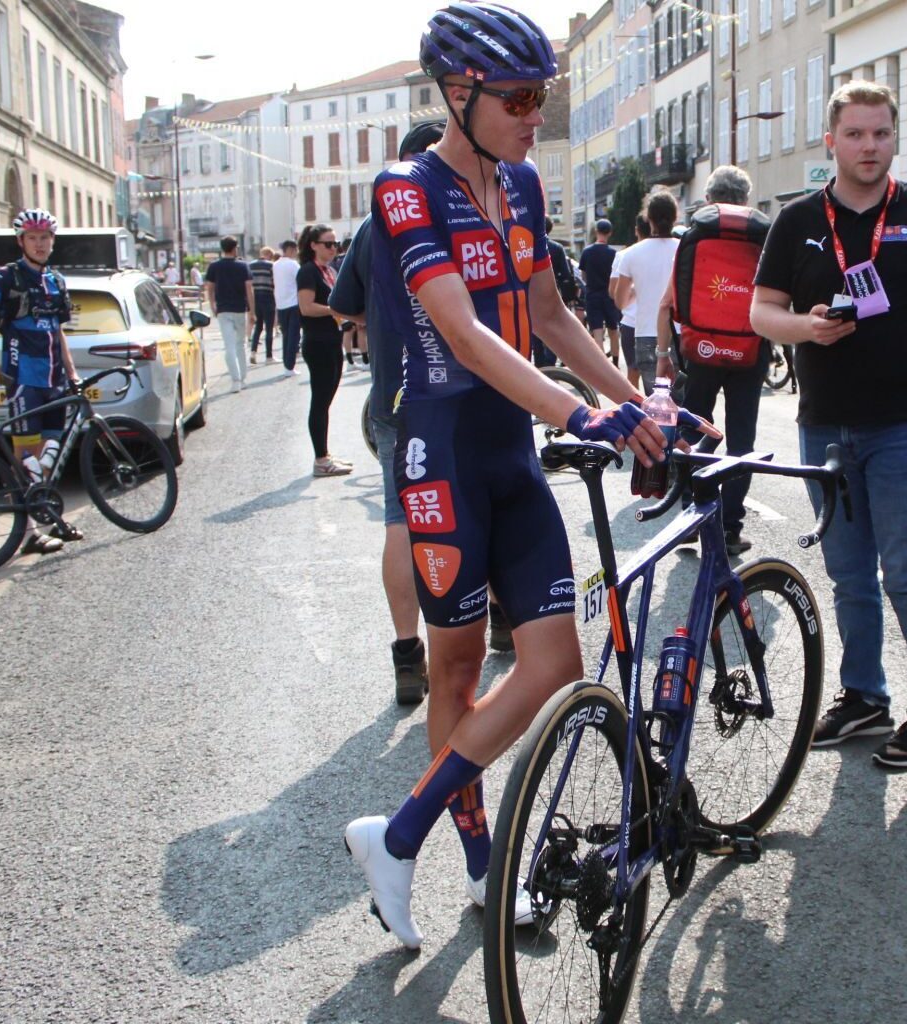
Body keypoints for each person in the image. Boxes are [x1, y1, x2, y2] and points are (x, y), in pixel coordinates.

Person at [341, 2, 691, 952]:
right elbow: (461, 330)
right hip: (442, 454)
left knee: (553, 663)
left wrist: (640, 405)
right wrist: (580, 414)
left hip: (512, 450)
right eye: (522, 97)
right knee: (455, 669)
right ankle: (481, 863)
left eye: (546, 94)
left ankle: (397, 836)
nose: (539, 114)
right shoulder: (404, 189)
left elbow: (550, 317)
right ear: (459, 96)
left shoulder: (526, 185)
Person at [751, 80, 907, 770]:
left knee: (905, 570)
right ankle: (864, 696)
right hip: (826, 426)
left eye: (880, 133)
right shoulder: (795, 220)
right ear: (831, 141)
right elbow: (761, 314)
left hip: (906, 423)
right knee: (849, 575)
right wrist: (807, 330)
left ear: (893, 137)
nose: (869, 146)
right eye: (855, 134)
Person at [328, 120, 445, 706]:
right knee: (484, 509)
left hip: (395, 397)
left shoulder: (376, 228)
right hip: (463, 395)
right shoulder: (464, 211)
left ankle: (408, 655)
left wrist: (381, 325)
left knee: (402, 522)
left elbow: (342, 308)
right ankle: (498, 622)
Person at [659, 164, 770, 557]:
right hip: (751, 349)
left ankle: (692, 514)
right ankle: (729, 527)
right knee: (742, 439)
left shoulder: (694, 235)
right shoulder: (762, 236)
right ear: (746, 201)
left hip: (700, 347)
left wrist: (663, 355)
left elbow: (673, 303)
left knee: (691, 430)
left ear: (708, 200)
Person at [0, 209, 83, 556]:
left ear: (53, 241)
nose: (40, 243)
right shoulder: (5, 278)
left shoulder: (56, 281)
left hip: (54, 379)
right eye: (33, 238)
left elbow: (57, 330)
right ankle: (31, 534)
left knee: (48, 456)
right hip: (23, 379)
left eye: (45, 237)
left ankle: (47, 523)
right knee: (25, 456)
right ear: (21, 242)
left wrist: (72, 371)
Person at [609, 192, 679, 392]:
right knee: (682, 403)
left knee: (656, 402)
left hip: (647, 334)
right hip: (681, 333)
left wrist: (635, 288)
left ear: (649, 219)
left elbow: (620, 301)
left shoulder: (631, 254)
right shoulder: (685, 249)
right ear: (675, 218)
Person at [296, 223, 352, 477]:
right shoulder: (308, 271)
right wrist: (334, 310)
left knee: (325, 401)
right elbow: (306, 307)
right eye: (328, 244)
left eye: (335, 243)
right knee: (320, 402)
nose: (333, 248)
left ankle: (325, 454)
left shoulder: (327, 271)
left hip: (332, 339)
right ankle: (320, 459)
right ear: (314, 245)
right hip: (317, 342)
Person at [203, 236, 255, 392]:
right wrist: (252, 311)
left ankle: (236, 380)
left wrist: (213, 306)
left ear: (222, 248)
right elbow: (249, 290)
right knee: (240, 344)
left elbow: (210, 288)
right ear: (235, 248)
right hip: (240, 308)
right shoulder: (243, 266)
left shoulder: (214, 266)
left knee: (229, 346)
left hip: (223, 309)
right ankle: (243, 378)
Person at [531, 216, 580, 368]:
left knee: (536, 330)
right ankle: (550, 362)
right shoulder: (557, 248)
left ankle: (540, 364)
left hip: (531, 295)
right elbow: (566, 274)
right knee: (553, 329)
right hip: (553, 292)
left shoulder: (526, 246)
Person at [610, 215, 649, 388]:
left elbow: (613, 292)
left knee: (633, 371)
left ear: (636, 230)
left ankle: (635, 412)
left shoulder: (624, 255)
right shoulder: (676, 250)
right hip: (665, 323)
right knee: (664, 378)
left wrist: (632, 291)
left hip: (632, 322)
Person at [579, 218, 620, 364]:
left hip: (592, 295)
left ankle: (602, 365)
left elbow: (583, 275)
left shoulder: (587, 252)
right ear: (609, 233)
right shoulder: (614, 254)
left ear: (596, 231)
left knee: (597, 331)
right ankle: (616, 364)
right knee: (613, 331)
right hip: (609, 296)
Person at [273, 240, 302, 375]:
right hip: (294, 303)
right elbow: (300, 281)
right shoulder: (293, 264)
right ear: (290, 249)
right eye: (295, 250)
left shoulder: (276, 265)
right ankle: (289, 366)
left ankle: (287, 365)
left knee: (286, 336)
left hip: (280, 304)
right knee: (294, 336)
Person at [249, 247, 278, 364]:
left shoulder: (250, 265)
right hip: (268, 297)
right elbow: (274, 282)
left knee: (258, 327)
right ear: (270, 255)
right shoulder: (271, 266)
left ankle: (253, 352)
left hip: (255, 298)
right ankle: (269, 356)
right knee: (269, 328)